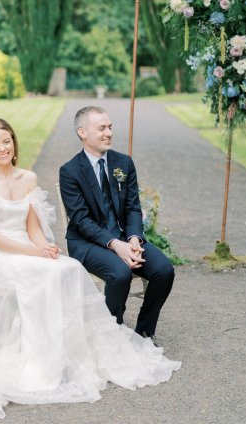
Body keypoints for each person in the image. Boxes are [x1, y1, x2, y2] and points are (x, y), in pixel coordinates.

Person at [0, 118, 180, 419]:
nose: (2, 148)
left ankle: (60, 352)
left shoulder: (28, 178)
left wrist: (44, 248)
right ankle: (37, 360)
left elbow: (33, 227)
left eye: (6, 141)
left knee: (66, 268)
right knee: (39, 272)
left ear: (14, 142)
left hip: (26, 246)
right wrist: (32, 251)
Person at [59, 106, 175, 343]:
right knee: (120, 274)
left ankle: (143, 331)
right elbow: (80, 220)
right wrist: (115, 245)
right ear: (82, 132)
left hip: (125, 238)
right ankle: (111, 333)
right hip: (87, 242)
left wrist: (133, 239)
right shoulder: (70, 171)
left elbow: (133, 207)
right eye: (101, 128)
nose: (109, 133)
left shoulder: (124, 163)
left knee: (164, 270)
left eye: (110, 127)